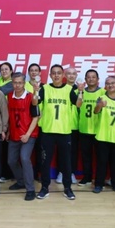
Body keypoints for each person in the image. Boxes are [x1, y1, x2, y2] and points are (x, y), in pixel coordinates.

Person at [32, 64, 84, 200]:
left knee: (66, 162)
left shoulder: (69, 89)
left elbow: (78, 104)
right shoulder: (44, 88)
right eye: (54, 73)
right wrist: (35, 91)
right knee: (45, 161)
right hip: (47, 131)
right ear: (50, 75)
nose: (56, 75)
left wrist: (80, 92)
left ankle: (67, 188)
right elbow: (34, 103)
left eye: (59, 73)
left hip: (64, 131)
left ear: (63, 75)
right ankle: (44, 188)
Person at [93, 76, 115, 194]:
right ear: (105, 86)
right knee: (101, 162)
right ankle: (98, 184)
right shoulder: (101, 98)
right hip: (102, 136)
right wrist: (100, 105)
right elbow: (95, 111)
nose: (110, 85)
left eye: (113, 83)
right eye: (108, 83)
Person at [7, 73, 40, 201]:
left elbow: (36, 117)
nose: (17, 85)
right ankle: (20, 181)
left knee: (25, 158)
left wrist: (27, 134)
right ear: (12, 83)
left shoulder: (31, 97)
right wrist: (8, 130)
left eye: (20, 83)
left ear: (24, 83)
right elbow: (10, 115)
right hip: (14, 134)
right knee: (11, 161)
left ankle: (30, 189)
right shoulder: (9, 96)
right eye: (15, 83)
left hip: (28, 134)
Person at [54, 66, 80, 185]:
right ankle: (61, 172)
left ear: (76, 76)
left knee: (73, 151)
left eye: (73, 74)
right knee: (61, 151)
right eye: (69, 73)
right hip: (62, 125)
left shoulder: (80, 90)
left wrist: (81, 91)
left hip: (75, 126)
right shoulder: (61, 88)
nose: (71, 76)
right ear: (65, 75)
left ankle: (71, 173)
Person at [77, 69, 103, 187]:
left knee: (100, 157)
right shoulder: (80, 91)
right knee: (86, 156)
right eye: (88, 77)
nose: (91, 79)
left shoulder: (103, 92)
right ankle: (87, 177)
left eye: (93, 77)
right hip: (84, 129)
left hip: (99, 130)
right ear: (85, 80)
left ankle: (99, 180)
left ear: (98, 79)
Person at [0, 62, 15, 182]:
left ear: (11, 71)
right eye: (2, 70)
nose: (4, 71)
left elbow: (1, 92)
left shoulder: (14, 82)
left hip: (9, 116)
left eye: (6, 69)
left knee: (7, 148)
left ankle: (8, 174)